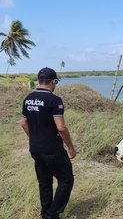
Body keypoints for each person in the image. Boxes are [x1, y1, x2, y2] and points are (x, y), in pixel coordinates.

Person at [21, 67, 76, 219]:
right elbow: (61, 128)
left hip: (35, 148)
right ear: (53, 81)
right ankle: (52, 214)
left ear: (39, 81)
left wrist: (34, 138)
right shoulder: (54, 100)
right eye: (56, 82)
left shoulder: (28, 98)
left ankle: (45, 213)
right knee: (66, 180)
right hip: (52, 149)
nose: (55, 85)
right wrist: (71, 147)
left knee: (44, 182)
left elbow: (23, 123)